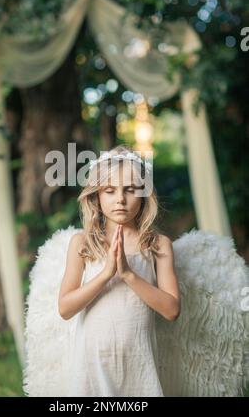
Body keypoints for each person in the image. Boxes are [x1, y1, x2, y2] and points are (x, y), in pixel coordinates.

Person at [58, 145, 181, 397]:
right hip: (92, 364)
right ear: (97, 196)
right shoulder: (82, 243)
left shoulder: (157, 245)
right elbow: (65, 308)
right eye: (110, 191)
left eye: (130, 190)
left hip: (139, 363)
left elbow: (172, 310)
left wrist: (128, 274)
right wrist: (106, 274)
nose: (120, 199)